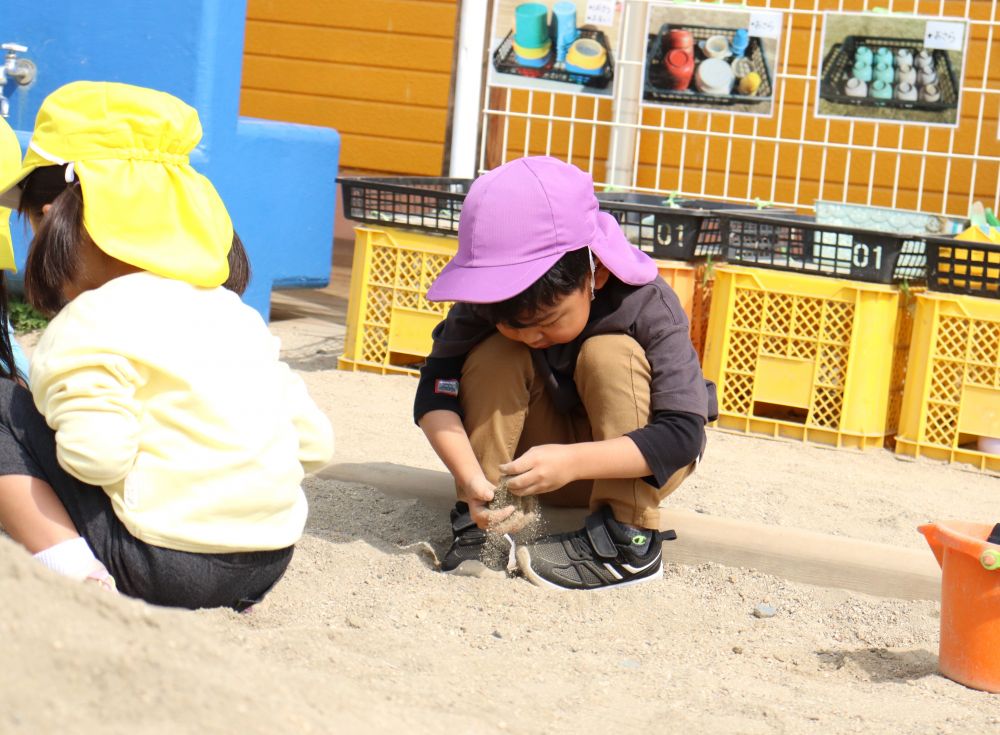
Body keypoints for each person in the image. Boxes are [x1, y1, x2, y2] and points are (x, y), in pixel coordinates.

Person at [0, 81, 334, 609]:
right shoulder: (235, 316)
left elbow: (98, 458)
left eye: (36, 219)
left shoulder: (90, 320)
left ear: (61, 216)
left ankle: (71, 571)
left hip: (163, 564)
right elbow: (314, 443)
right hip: (267, 562)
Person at [414, 156, 717, 590]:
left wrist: (574, 462)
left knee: (609, 352)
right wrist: (468, 479)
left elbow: (682, 435)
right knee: (497, 352)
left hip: (626, 468)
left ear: (598, 270)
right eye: (514, 323)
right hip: (527, 474)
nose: (532, 336)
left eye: (549, 320)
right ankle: (483, 523)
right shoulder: (489, 304)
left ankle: (627, 542)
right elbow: (434, 395)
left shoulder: (649, 303)